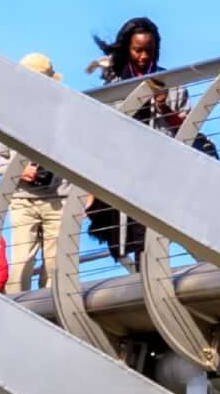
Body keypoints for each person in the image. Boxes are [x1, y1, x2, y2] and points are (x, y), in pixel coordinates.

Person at [84, 18, 208, 262]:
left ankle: (197, 268)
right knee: (138, 234)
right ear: (127, 49)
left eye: (148, 50)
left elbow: (187, 129)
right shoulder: (114, 85)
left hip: (164, 168)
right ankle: (148, 277)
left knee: (173, 226)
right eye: (137, 50)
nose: (142, 56)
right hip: (127, 172)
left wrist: (164, 108)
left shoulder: (171, 82)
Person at [0, 57, 74, 296]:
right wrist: (19, 171)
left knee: (55, 265)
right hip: (22, 199)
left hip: (59, 198)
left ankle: (52, 314)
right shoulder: (8, 116)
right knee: (21, 264)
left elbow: (78, 157)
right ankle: (17, 310)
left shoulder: (65, 114)